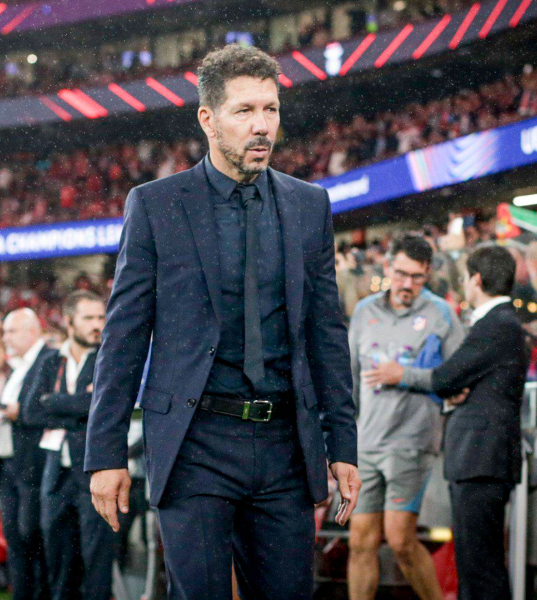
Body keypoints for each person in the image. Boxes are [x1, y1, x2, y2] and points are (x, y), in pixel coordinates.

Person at [85, 45, 360, 599]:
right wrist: (106, 453)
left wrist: (344, 445)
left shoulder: (310, 206)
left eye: (271, 109)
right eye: (244, 112)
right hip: (195, 444)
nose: (262, 127)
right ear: (207, 119)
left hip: (286, 444)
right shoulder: (156, 203)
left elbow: (326, 332)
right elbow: (124, 335)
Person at [365, 245, 527, 600]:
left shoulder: (496, 324)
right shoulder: (501, 324)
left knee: (479, 568)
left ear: (476, 280)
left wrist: (399, 373)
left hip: (481, 460)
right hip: (478, 461)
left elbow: (443, 379)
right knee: (476, 564)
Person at [347, 233, 464, 600]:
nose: (406, 284)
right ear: (387, 267)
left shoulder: (441, 315)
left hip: (412, 443)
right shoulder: (365, 312)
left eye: (416, 276)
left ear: (427, 273)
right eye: (400, 274)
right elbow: (348, 379)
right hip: (365, 443)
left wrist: (406, 377)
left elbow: (457, 380)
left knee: (399, 541)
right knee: (360, 544)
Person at [22, 290, 112, 600]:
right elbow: (31, 411)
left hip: (95, 471)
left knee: (96, 561)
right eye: (89, 318)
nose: (98, 324)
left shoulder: (109, 357)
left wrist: (57, 403)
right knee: (57, 559)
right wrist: (81, 406)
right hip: (55, 473)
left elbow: (109, 407)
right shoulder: (50, 360)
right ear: (70, 322)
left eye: (101, 317)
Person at [0, 308, 54, 600]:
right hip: (11, 465)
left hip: (34, 465)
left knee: (32, 537)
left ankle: (39, 594)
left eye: (11, 331)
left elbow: (49, 406)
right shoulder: (19, 366)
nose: (5, 338)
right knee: (15, 538)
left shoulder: (49, 360)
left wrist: (19, 412)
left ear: (31, 331)